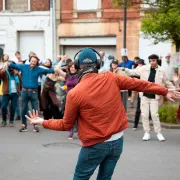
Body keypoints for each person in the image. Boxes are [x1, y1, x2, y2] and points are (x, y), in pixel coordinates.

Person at [25, 48, 180, 180]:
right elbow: (138, 84)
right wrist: (165, 90)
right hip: (117, 142)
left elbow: (66, 124)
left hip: (94, 146)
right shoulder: (111, 77)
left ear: (78, 66)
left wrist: (42, 121)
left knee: (80, 177)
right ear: (98, 64)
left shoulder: (75, 94)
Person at [125, 54, 175, 141]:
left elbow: (167, 82)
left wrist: (174, 90)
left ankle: (158, 132)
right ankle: (146, 132)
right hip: (144, 95)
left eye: (153, 61)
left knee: (154, 114)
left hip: (155, 96)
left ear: (157, 61)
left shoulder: (162, 70)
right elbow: (134, 72)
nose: (152, 62)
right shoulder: (144, 68)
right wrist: (124, 69)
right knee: (144, 115)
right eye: (150, 61)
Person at [3, 56, 59, 132]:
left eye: (34, 62)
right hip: (24, 92)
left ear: (36, 63)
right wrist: (7, 63)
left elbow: (48, 71)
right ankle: (24, 125)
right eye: (32, 61)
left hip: (34, 92)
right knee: (23, 109)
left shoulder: (38, 69)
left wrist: (55, 69)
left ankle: (35, 125)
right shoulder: (24, 67)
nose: (33, 63)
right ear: (30, 61)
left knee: (35, 109)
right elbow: (14, 65)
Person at [0, 61, 21, 126]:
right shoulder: (5, 73)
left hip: (15, 93)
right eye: (10, 66)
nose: (11, 68)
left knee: (13, 107)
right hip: (6, 93)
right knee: (3, 107)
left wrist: (17, 74)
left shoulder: (16, 73)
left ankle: (11, 121)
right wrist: (4, 67)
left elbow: (20, 82)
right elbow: (1, 74)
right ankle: (4, 120)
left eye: (12, 66)